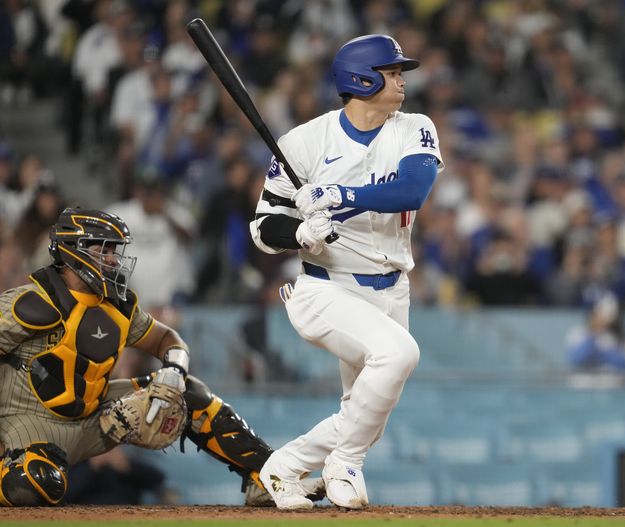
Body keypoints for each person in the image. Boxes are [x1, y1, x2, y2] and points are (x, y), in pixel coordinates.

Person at [0, 207, 324, 506]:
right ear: (72, 253)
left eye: (115, 251)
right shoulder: (29, 301)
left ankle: (266, 477)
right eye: (104, 250)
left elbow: (169, 340)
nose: (113, 260)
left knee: (189, 393)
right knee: (35, 485)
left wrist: (173, 373)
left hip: (95, 417)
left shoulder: (120, 306)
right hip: (30, 424)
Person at [249, 34, 443, 510]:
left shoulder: (414, 127)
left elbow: (412, 190)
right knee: (398, 356)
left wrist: (338, 197)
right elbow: (262, 226)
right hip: (325, 290)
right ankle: (342, 464)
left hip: (393, 289)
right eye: (392, 71)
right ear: (362, 79)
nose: (401, 79)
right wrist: (300, 234)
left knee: (364, 415)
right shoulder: (304, 141)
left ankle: (283, 467)